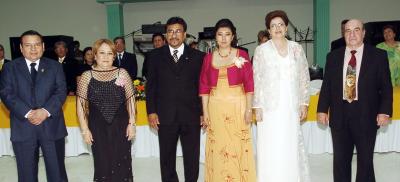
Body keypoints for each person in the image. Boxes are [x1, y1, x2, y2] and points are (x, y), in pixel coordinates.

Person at [317, 19, 392, 182]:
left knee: (365, 162)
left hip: (367, 115)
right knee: (340, 161)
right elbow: (327, 85)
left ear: (363, 33)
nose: (352, 34)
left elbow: (386, 87)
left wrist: (384, 111)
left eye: (356, 30)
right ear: (343, 34)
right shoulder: (333, 57)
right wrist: (322, 109)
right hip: (339, 116)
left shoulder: (378, 56)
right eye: (348, 30)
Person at [0, 30, 68, 182]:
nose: (33, 49)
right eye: (28, 45)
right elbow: (6, 93)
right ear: (21, 47)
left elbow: (61, 91)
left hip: (51, 126)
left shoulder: (55, 66)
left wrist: (45, 111)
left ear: (43, 46)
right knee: (26, 174)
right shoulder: (10, 68)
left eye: (37, 44)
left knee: (57, 172)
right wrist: (28, 112)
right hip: (23, 126)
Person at [252, 10, 311, 181]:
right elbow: (256, 78)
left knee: (289, 144)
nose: (277, 28)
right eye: (273, 25)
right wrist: (256, 106)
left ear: (286, 28)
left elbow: (304, 76)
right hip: (268, 108)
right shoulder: (261, 50)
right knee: (270, 146)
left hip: (291, 106)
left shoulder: (296, 48)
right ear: (268, 30)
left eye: (281, 25)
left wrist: (303, 103)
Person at [145, 16, 205, 182]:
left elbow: (202, 88)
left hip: (191, 115)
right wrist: (151, 111)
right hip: (165, 115)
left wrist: (203, 112)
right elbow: (151, 86)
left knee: (192, 157)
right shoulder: (155, 56)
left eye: (178, 31)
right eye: (170, 31)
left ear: (184, 34)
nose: (174, 35)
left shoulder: (198, 57)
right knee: (167, 158)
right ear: (165, 35)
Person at [199, 18, 256, 181]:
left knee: (237, 146)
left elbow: (249, 84)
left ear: (233, 37)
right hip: (215, 109)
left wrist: (249, 109)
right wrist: (206, 112)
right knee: (217, 147)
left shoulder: (242, 55)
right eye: (220, 34)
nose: (223, 38)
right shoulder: (208, 58)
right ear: (215, 37)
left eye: (227, 34)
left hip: (237, 108)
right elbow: (204, 87)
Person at [76, 39, 136, 182]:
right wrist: (85, 130)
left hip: (121, 126)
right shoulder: (86, 76)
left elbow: (131, 100)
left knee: (122, 162)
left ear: (114, 56)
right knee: (102, 162)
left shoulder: (122, 73)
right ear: (95, 55)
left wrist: (132, 124)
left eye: (110, 53)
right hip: (97, 127)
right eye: (102, 53)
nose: (106, 57)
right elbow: (80, 105)